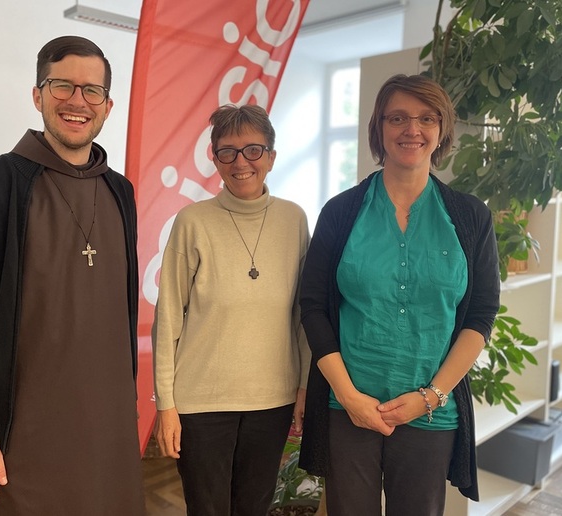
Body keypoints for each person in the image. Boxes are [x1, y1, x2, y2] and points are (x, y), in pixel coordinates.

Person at [0, 35, 145, 515]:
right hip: (19, 434)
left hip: (105, 430)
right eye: (62, 85)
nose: (77, 101)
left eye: (92, 91)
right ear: (37, 95)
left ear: (108, 106)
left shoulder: (121, 192)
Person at [298, 74, 500, 515]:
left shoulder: (470, 217)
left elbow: (481, 315)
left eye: (427, 118)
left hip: (431, 412)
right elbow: (313, 307)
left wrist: (431, 395)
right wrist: (350, 397)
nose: (412, 129)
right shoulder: (341, 212)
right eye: (398, 118)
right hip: (349, 408)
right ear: (379, 127)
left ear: (442, 129)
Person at [152, 104, 310, 516]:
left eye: (253, 150)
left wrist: (304, 386)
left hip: (272, 400)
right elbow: (168, 318)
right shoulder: (192, 221)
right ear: (214, 157)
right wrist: (165, 405)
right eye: (228, 151)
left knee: (254, 508)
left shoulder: (294, 220)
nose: (241, 162)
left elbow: (302, 316)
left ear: (272, 156)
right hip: (201, 404)